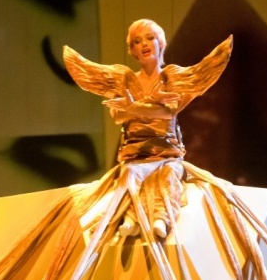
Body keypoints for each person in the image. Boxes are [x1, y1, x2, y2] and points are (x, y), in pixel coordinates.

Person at [63, 18, 232, 240]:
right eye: (136, 41)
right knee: (130, 175)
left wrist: (133, 106)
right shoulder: (124, 79)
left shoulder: (170, 77)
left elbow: (169, 111)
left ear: (160, 42)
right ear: (132, 50)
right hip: (135, 155)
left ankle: (161, 217)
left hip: (166, 154)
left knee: (169, 175)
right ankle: (132, 219)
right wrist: (147, 105)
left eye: (149, 38)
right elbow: (116, 115)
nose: (143, 44)